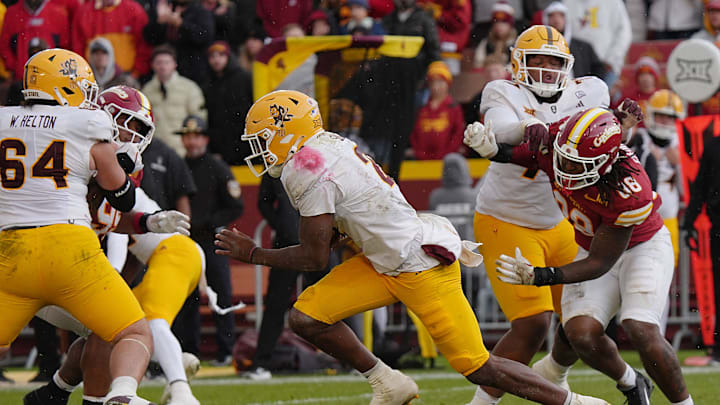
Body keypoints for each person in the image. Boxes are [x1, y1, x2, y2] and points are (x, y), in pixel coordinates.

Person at [215, 89, 609, 405]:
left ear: (288, 130)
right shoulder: (325, 146)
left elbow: (314, 256)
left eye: (265, 137)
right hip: (384, 259)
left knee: (479, 367)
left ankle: (575, 402)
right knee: (307, 317)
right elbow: (341, 224)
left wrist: (253, 254)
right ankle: (387, 382)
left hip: (419, 265)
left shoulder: (307, 165)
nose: (261, 148)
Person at [465, 107, 694, 405]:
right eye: (565, 159)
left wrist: (542, 276)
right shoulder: (562, 145)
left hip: (642, 246)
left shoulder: (628, 188)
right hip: (591, 246)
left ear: (606, 163)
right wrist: (495, 151)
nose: (566, 168)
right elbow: (534, 155)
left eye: (577, 165)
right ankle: (625, 382)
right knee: (580, 333)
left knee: (639, 326)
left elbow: (600, 263)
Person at [464, 25, 636, 405]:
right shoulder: (502, 91)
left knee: (580, 324)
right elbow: (502, 128)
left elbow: (602, 135)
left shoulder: (588, 91)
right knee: (532, 324)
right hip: (505, 218)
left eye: (553, 61)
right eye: (535, 60)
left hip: (559, 222)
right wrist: (530, 126)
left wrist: (620, 126)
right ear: (518, 63)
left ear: (567, 64)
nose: (544, 68)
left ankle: (610, 378)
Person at [22, 84, 198, 405]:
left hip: (54, 266)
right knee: (114, 326)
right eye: (130, 125)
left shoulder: (116, 163)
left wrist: (148, 223)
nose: (135, 136)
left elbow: (108, 218)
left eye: (141, 129)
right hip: (38, 264)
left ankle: (53, 393)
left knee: (108, 327)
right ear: (107, 118)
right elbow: (78, 209)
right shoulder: (82, 156)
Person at [0, 48, 154, 405]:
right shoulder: (88, 125)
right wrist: (120, 164)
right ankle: (122, 394)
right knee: (132, 331)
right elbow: (123, 199)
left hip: (10, 253)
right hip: (69, 247)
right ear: (66, 87)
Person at [243, 174, 330, 380]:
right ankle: (261, 362)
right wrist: (282, 225)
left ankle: (349, 359)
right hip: (291, 244)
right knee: (276, 303)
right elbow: (263, 202)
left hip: (318, 243)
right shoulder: (276, 168)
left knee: (332, 299)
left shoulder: (316, 161)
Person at [179, 115, 244, 366]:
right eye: (187, 136)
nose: (192, 141)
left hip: (213, 242)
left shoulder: (217, 167)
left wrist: (211, 222)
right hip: (187, 241)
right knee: (187, 298)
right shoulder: (179, 165)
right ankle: (190, 352)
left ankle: (226, 351)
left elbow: (235, 205)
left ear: (205, 138)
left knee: (221, 295)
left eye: (196, 136)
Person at [681, 128, 720, 367]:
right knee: (718, 288)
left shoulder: (714, 145)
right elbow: (701, 186)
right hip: (718, 227)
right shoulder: (714, 146)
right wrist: (689, 223)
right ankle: (718, 349)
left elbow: (700, 187)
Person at [142, 45, 207, 156]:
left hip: (183, 151)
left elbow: (200, 120)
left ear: (174, 64)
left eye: (167, 62)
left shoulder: (189, 88)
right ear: (152, 65)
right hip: (155, 150)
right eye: (159, 63)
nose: (163, 66)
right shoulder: (146, 90)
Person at [203, 40, 253, 165]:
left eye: (221, 55)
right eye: (212, 56)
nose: (216, 60)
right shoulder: (208, 84)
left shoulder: (245, 78)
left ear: (229, 57)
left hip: (244, 140)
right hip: (221, 144)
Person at [408, 61, 465, 160]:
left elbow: (458, 133)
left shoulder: (453, 107)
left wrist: (447, 153)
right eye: (432, 81)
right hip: (421, 160)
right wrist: (419, 152)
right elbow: (413, 132)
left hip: (446, 160)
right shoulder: (421, 106)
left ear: (447, 84)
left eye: (440, 81)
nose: (435, 86)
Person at [542, 2, 605, 79]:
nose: (556, 19)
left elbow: (598, 70)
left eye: (561, 15)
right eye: (552, 16)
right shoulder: (541, 47)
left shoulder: (584, 47)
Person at [472, 1, 516, 69]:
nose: (499, 25)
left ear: (510, 25)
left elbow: (518, 65)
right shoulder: (486, 43)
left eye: (504, 22)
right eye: (496, 22)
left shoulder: (515, 43)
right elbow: (478, 63)